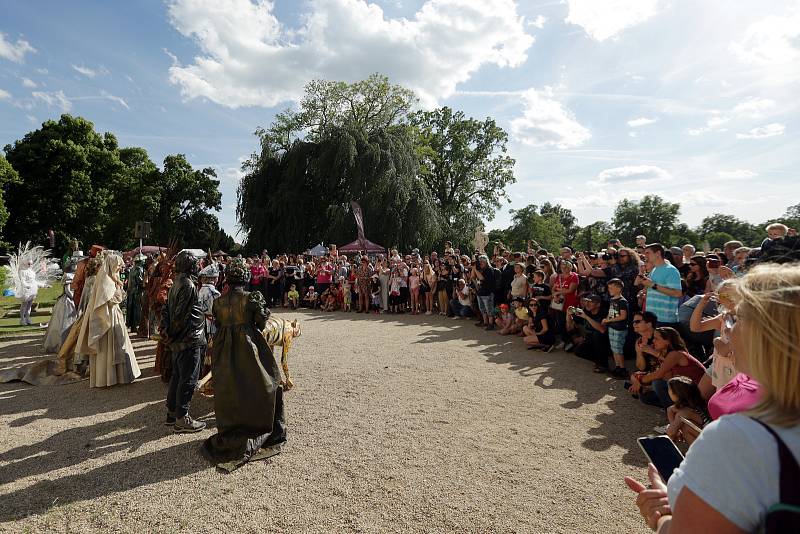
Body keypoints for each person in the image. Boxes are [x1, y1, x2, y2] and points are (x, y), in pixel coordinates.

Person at [626, 262, 800, 533]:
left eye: (736, 318)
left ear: (767, 337)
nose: (727, 329)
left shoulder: (743, 439)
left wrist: (662, 517)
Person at [201, 259, 286, 472]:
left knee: (231, 387)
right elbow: (261, 323)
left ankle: (233, 426)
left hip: (224, 348)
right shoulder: (252, 298)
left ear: (227, 279)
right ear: (245, 278)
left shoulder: (218, 302)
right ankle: (261, 424)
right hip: (249, 346)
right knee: (268, 382)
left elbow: (219, 324)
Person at [76, 252, 142, 388]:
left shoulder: (110, 277)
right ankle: (108, 378)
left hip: (114, 315)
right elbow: (108, 300)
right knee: (108, 348)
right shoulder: (105, 280)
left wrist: (118, 285)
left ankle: (118, 376)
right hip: (107, 318)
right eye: (117, 266)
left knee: (117, 346)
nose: (119, 269)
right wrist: (118, 289)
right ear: (111, 265)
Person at [160, 251, 206, 433]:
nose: (197, 266)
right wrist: (171, 333)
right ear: (189, 266)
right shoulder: (187, 284)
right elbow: (179, 315)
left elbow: (167, 311)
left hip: (180, 339)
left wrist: (166, 331)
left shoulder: (177, 282)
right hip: (188, 338)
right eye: (195, 264)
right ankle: (182, 418)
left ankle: (172, 413)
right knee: (188, 378)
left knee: (178, 376)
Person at [634, 327, 705, 409]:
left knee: (657, 383)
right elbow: (667, 377)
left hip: (695, 392)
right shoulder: (665, 353)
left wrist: (640, 380)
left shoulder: (676, 354)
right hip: (682, 389)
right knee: (645, 397)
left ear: (667, 341)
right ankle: (675, 407)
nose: (653, 341)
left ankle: (676, 410)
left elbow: (658, 374)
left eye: (656, 338)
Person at [638, 243, 682, 327]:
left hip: (665, 320)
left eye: (648, 253)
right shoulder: (654, 269)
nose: (645, 255)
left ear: (658, 253)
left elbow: (677, 293)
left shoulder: (671, 270)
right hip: (652, 318)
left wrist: (652, 285)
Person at [665, 376, 711, 445]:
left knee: (685, 426)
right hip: (711, 436)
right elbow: (670, 409)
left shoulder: (684, 412)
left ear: (676, 393)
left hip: (712, 440)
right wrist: (674, 427)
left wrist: (673, 429)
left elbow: (671, 433)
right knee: (682, 424)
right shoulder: (695, 404)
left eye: (669, 389)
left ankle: (696, 454)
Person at [43, 273, 77, 353]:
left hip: (70, 300)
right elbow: (68, 290)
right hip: (68, 301)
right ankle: (61, 344)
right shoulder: (69, 276)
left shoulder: (74, 275)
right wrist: (74, 297)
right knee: (63, 321)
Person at [603, 278, 629, 379]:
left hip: (619, 328)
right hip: (612, 327)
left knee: (618, 349)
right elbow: (611, 312)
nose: (609, 290)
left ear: (619, 289)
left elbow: (623, 316)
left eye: (611, 288)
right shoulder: (612, 299)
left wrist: (609, 320)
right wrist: (606, 319)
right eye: (608, 288)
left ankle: (622, 369)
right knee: (614, 348)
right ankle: (617, 366)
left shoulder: (622, 301)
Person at [473, 255, 497, 330]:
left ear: (486, 262)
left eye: (482, 262)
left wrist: (475, 270)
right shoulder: (480, 269)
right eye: (479, 262)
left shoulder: (489, 270)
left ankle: (491, 324)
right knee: (482, 309)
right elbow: (473, 277)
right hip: (480, 292)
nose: (480, 263)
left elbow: (482, 279)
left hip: (487, 293)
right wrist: (474, 269)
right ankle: (485, 322)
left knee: (489, 309)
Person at [125, 254, 145, 331]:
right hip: (137, 292)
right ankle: (137, 326)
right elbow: (140, 282)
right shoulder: (139, 269)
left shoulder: (132, 269)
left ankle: (133, 326)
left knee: (132, 309)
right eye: (143, 260)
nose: (144, 261)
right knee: (137, 310)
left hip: (131, 292)